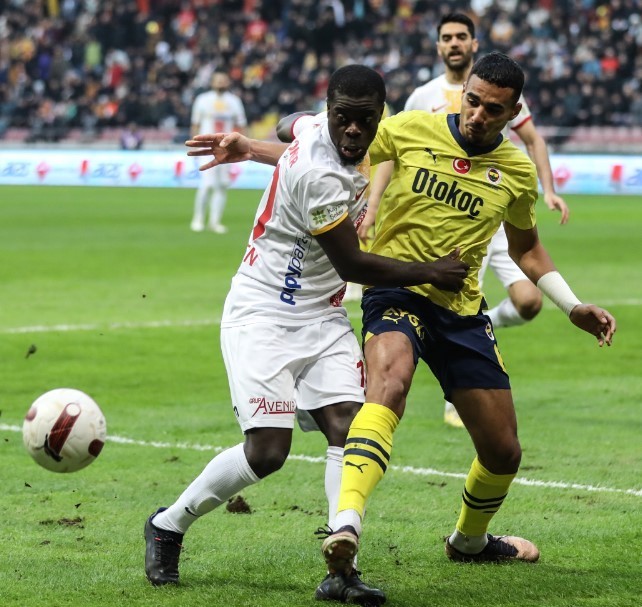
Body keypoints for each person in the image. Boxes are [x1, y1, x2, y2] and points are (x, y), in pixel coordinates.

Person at [144, 64, 469, 606]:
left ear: (379, 115)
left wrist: (250, 146)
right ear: (331, 112)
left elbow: (287, 125)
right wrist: (431, 272)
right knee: (268, 452)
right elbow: (354, 263)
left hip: (321, 314)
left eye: (364, 119)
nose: (353, 130)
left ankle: (343, 564)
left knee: (349, 426)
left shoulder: (318, 127)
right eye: (343, 119)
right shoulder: (319, 175)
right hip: (263, 313)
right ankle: (168, 524)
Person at [315, 52, 615, 598]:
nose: (477, 115)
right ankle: (346, 526)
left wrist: (571, 305)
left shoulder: (516, 171)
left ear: (513, 113)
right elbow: (332, 147)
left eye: (492, 109)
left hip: (460, 311)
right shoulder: (411, 128)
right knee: (389, 385)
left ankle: (469, 542)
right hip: (397, 290)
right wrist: (253, 147)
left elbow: (527, 249)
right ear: (463, 94)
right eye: (471, 101)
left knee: (503, 452)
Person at [362, 13, 571, 427]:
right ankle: (450, 386)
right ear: (439, 45)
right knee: (438, 306)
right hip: (439, 224)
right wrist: (373, 204)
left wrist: (547, 189)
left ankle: (476, 338)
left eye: (461, 36)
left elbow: (533, 140)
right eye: (447, 37)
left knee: (529, 302)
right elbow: (393, 149)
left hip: (492, 211)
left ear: (474, 44)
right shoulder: (422, 98)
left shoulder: (503, 89)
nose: (454, 43)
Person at [189, 71, 247, 233]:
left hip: (226, 148)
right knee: (207, 184)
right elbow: (195, 124)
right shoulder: (202, 100)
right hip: (207, 148)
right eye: (218, 80)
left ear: (228, 82)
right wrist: (194, 145)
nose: (220, 82)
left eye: (223, 80)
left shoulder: (234, 101)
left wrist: (243, 146)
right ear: (212, 82)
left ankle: (215, 222)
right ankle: (198, 219)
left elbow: (241, 125)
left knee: (222, 185)